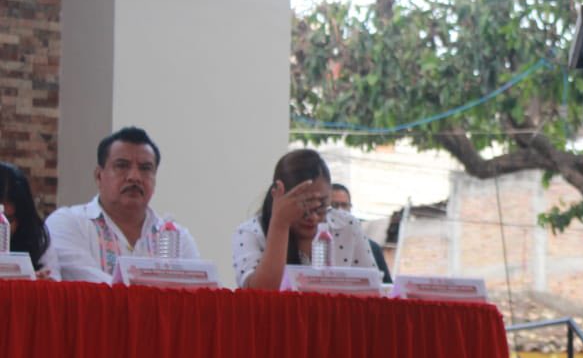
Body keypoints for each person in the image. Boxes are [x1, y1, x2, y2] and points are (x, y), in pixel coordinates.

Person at [46, 126, 199, 283]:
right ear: (99, 176)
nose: (134, 177)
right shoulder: (69, 223)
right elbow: (91, 288)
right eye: (122, 166)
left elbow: (197, 294)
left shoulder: (178, 238)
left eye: (145, 168)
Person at [232, 149, 376, 290]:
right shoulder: (251, 232)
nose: (313, 217)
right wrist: (280, 224)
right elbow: (261, 292)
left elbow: (373, 288)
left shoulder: (346, 226)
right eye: (303, 206)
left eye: (321, 205)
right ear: (277, 196)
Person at [0, 161, 60, 279]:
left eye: (9, 220)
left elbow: (53, 277)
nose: (4, 228)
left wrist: (38, 285)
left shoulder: (37, 237)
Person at [329, 182, 393, 283]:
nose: (340, 211)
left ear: (350, 208)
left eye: (344, 205)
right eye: (334, 205)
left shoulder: (372, 248)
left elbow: (386, 286)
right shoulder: (320, 244)